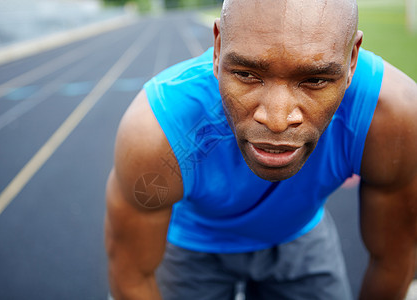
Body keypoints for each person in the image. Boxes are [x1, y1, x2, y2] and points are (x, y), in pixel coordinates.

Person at [105, 0, 417, 299]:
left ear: (352, 61)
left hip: (299, 232)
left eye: (315, 80)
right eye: (246, 74)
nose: (277, 120)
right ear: (217, 50)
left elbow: (394, 259)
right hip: (193, 244)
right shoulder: (158, 131)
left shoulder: (390, 117)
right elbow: (132, 278)